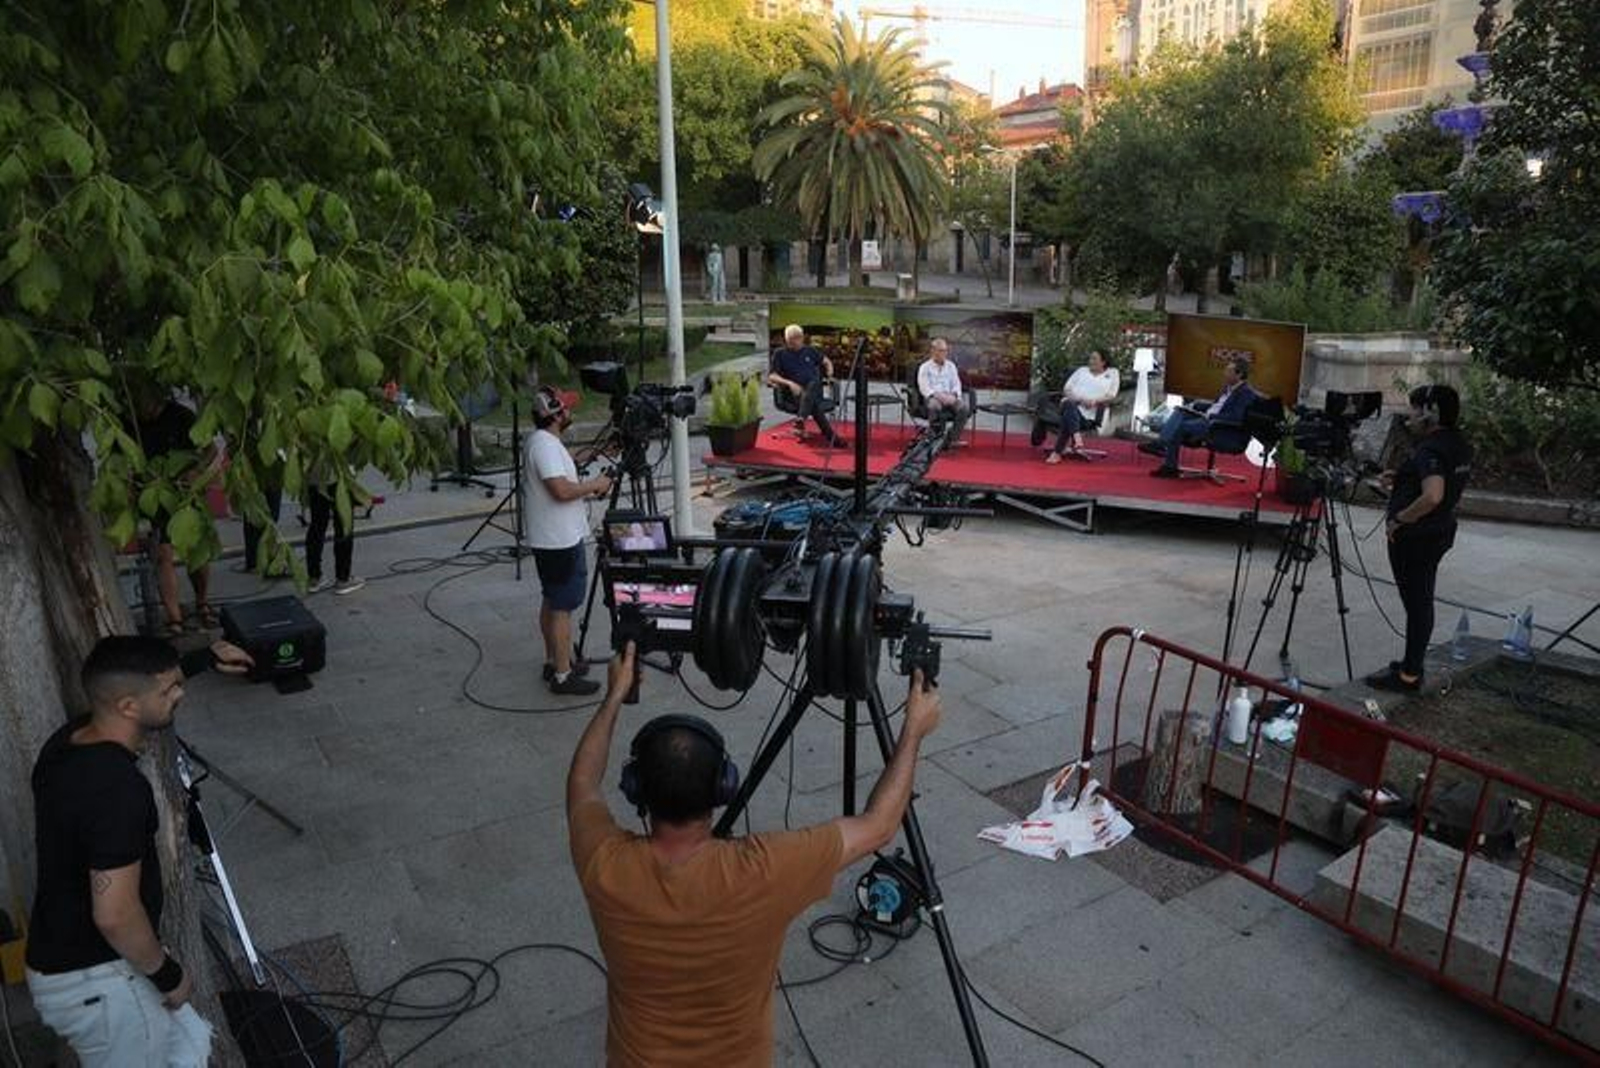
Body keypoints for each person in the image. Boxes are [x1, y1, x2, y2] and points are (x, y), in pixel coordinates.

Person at [567, 644, 942, 1066]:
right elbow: (880, 824)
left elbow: (582, 783)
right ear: (723, 787)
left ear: (635, 788)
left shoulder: (605, 863)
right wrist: (913, 731)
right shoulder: (763, 870)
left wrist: (613, 697)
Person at [25, 634, 253, 1068]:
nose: (179, 695)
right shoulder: (116, 791)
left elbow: (135, 684)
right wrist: (169, 976)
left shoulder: (68, 742)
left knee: (190, 1044)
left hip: (73, 966)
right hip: (99, 983)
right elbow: (114, 913)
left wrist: (204, 659)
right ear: (129, 707)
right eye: (170, 691)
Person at [1366, 385, 1473, 693]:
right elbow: (1441, 482)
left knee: (1417, 604)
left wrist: (1401, 518)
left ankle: (1409, 675)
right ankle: (1411, 665)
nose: (1409, 416)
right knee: (1420, 601)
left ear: (1431, 412)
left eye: (1414, 409)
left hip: (1417, 538)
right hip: (1437, 532)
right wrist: (1402, 479)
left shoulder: (1431, 449)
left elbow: (1433, 495)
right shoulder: (1457, 444)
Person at [523, 386, 611, 695]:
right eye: (566, 408)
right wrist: (596, 484)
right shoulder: (545, 447)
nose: (570, 412)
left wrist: (599, 451)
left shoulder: (543, 441)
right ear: (556, 414)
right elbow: (560, 490)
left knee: (551, 599)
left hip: (552, 537)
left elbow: (566, 462)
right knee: (562, 606)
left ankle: (554, 661)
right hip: (558, 540)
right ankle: (563, 675)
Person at [131, 389, 222, 637]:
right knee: (163, 555)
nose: (142, 410)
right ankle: (174, 618)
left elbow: (211, 450)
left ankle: (202, 603)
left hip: (186, 493)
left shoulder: (181, 416)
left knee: (196, 551)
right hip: (154, 495)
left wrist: (196, 471)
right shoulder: (130, 421)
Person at [1138, 354, 1256, 477]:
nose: (1225, 373)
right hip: (1207, 418)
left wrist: (1211, 417)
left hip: (1218, 427)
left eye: (1229, 371)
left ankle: (1168, 463)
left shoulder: (1246, 393)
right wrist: (1196, 406)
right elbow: (1217, 406)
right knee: (1180, 411)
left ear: (1239, 374)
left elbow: (1237, 418)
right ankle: (1161, 445)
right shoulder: (1228, 388)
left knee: (1182, 426)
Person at [767, 324, 844, 446]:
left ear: (802, 338)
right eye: (791, 339)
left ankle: (801, 419)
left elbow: (827, 362)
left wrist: (830, 373)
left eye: (797, 338)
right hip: (794, 394)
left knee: (813, 383)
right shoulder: (779, 354)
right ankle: (831, 437)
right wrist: (790, 383)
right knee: (813, 404)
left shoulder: (810, 351)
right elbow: (772, 376)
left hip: (813, 391)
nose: (795, 341)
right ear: (787, 340)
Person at [1045, 350, 1120, 462]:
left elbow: (1112, 395)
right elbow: (1067, 389)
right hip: (1073, 405)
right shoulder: (1081, 371)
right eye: (1090, 358)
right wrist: (1081, 400)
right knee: (1069, 404)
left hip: (1091, 416)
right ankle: (1076, 437)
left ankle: (1058, 452)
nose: (1091, 361)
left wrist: (1095, 401)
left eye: (1094, 359)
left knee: (1067, 418)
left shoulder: (1113, 373)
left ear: (1103, 362)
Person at [304, 481, 363, 595]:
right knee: (343, 525)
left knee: (317, 526)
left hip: (315, 479)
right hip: (339, 480)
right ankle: (343, 579)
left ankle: (314, 577)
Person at [916, 337, 969, 444]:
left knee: (963, 408)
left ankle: (952, 439)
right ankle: (935, 437)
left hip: (950, 396)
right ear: (933, 351)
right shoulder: (925, 367)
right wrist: (939, 396)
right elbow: (924, 387)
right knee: (934, 406)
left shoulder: (951, 366)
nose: (944, 353)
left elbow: (956, 383)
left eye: (945, 350)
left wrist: (954, 395)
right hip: (933, 397)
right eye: (941, 350)